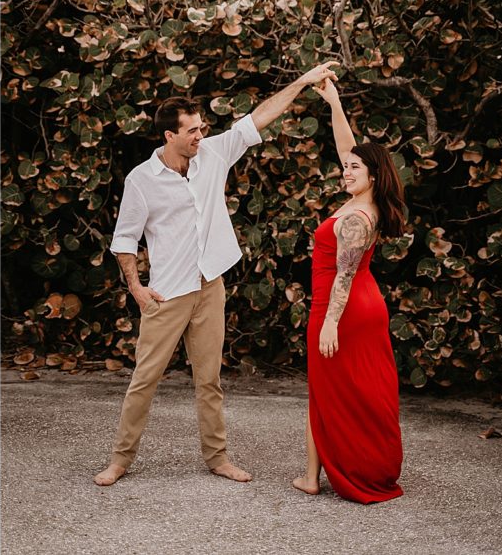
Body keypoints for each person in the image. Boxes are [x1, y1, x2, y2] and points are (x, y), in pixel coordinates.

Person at [93, 61, 340, 487]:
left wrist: (302, 82)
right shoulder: (141, 180)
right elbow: (124, 240)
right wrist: (136, 287)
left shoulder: (213, 153)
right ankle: (119, 461)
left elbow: (259, 116)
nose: (200, 135)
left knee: (209, 381)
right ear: (169, 135)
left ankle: (218, 458)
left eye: (202, 127)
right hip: (167, 294)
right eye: (191, 130)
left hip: (210, 287)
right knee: (144, 381)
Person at [291, 77, 405, 503]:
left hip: (343, 308)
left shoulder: (358, 217)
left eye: (354, 168)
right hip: (357, 304)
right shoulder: (363, 198)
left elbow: (344, 274)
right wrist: (334, 102)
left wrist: (329, 324)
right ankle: (311, 475)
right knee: (338, 390)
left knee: (335, 391)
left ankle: (346, 471)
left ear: (372, 176)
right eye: (346, 167)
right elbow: (348, 149)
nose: (345, 169)